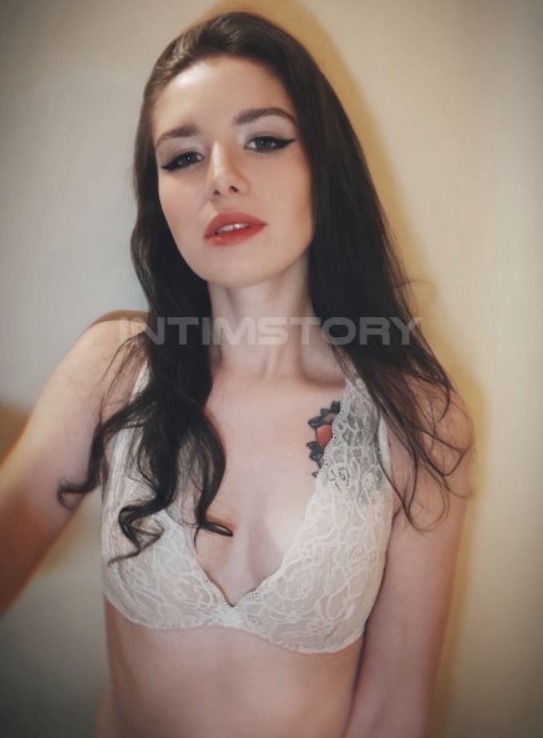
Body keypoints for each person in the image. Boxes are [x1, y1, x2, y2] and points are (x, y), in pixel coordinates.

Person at [0, 10, 474, 738]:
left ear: (323, 167)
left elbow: (392, 709)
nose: (221, 178)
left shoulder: (418, 417)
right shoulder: (112, 371)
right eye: (183, 157)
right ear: (159, 197)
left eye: (265, 140)